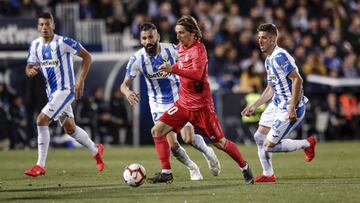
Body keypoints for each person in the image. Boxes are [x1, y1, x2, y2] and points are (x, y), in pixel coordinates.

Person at [152, 15, 254, 184]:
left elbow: (197, 74)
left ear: (193, 33)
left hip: (202, 108)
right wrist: (170, 69)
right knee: (157, 131)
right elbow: (181, 65)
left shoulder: (199, 50)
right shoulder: (180, 48)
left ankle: (244, 167)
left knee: (220, 143)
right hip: (183, 105)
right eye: (176, 33)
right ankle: (166, 172)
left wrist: (173, 69)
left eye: (182, 33)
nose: (178, 37)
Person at [120, 22, 220, 182]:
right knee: (172, 145)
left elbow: (192, 65)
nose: (148, 41)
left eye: (151, 37)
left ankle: (208, 153)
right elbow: (124, 85)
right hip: (157, 105)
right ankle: (192, 168)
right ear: (140, 40)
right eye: (144, 38)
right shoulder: (137, 59)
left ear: (157, 36)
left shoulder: (172, 50)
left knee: (189, 138)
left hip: (179, 99)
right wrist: (128, 92)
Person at [24, 12, 104, 177]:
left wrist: (80, 80)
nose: (45, 27)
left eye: (48, 24)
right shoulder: (35, 45)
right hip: (52, 94)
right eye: (41, 25)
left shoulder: (63, 42)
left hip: (66, 90)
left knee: (41, 120)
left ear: (53, 25)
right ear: (38, 27)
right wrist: (30, 71)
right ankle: (96, 150)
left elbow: (87, 57)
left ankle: (40, 165)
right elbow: (29, 66)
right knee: (70, 129)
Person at [241, 23, 317, 183]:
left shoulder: (280, 56)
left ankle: (307, 144)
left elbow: (297, 80)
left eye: (264, 38)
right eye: (259, 38)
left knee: (269, 145)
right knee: (259, 137)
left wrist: (291, 106)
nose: (260, 41)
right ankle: (268, 174)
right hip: (276, 104)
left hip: (291, 106)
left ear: (273, 39)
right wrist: (255, 105)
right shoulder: (269, 60)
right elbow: (271, 87)